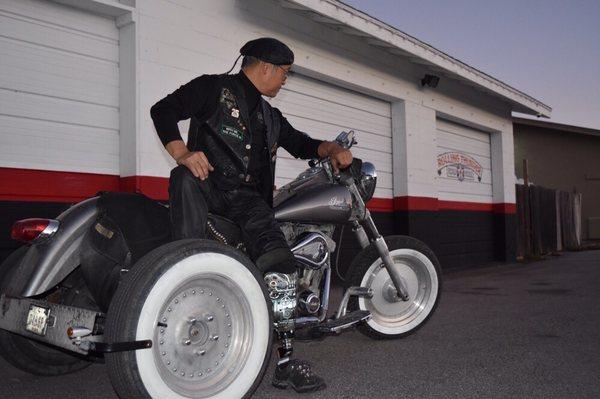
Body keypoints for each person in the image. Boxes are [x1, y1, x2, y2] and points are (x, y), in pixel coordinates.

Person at [150, 37, 352, 393]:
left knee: (282, 266)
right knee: (183, 176)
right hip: (207, 186)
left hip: (250, 204)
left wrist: (332, 148)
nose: (285, 80)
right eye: (284, 74)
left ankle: (286, 362)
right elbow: (163, 110)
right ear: (265, 67)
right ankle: (176, 283)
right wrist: (182, 153)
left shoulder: (270, 116)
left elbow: (302, 143)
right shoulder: (212, 88)